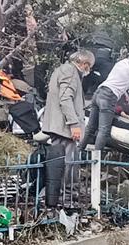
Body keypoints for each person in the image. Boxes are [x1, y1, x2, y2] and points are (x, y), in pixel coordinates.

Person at [41, 49, 94, 204]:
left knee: (58, 162)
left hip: (58, 125)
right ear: (84, 64)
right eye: (89, 66)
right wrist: (74, 124)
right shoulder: (70, 72)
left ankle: (57, 196)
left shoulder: (61, 70)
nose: (88, 70)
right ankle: (66, 196)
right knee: (67, 163)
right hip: (65, 127)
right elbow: (65, 98)